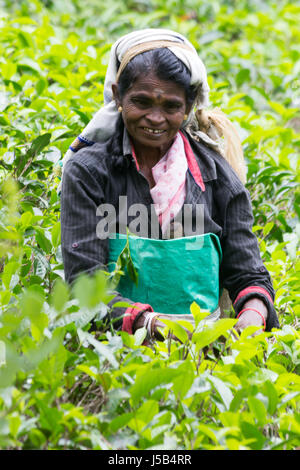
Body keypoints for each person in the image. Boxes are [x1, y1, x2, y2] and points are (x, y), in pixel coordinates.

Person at [59, 29, 279, 342]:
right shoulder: (90, 172)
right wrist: (148, 324)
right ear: (117, 95)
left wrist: (252, 315)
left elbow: (248, 273)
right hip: (112, 357)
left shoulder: (215, 176)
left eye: (171, 106)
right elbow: (84, 285)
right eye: (141, 102)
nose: (155, 118)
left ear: (188, 106)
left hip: (203, 357)